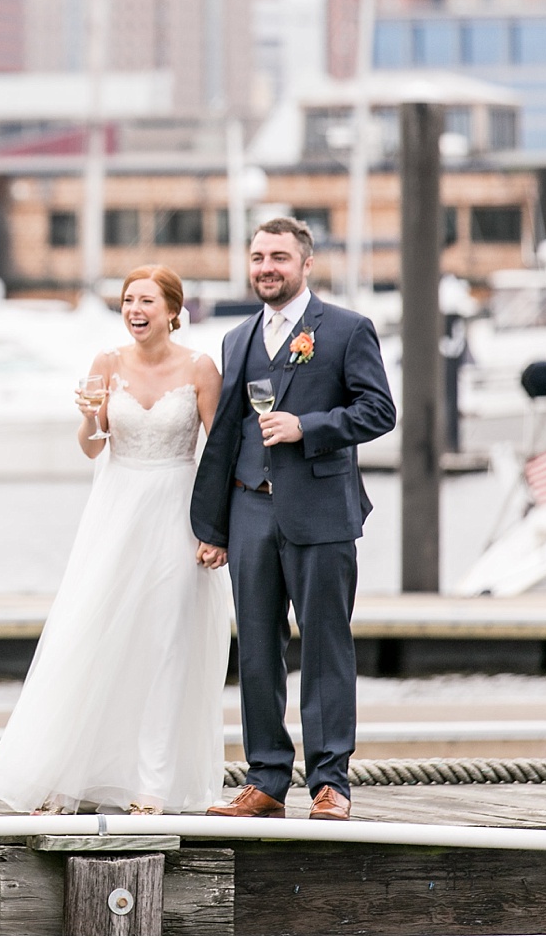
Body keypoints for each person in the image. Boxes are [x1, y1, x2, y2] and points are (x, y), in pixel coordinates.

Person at [0, 265, 231, 816]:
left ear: (173, 309)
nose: (134, 310)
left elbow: (218, 455)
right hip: (116, 512)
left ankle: (153, 787)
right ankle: (67, 775)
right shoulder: (106, 363)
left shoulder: (200, 368)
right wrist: (86, 419)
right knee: (95, 631)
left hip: (175, 510)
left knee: (166, 644)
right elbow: (93, 447)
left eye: (146, 300)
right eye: (127, 300)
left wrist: (218, 531)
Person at [190, 218, 395, 821]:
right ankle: (266, 779)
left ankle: (331, 782)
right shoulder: (236, 339)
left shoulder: (347, 330)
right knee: (255, 647)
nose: (266, 267)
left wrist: (309, 427)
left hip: (322, 511)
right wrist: (214, 527)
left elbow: (379, 410)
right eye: (257, 257)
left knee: (326, 643)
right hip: (250, 508)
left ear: (306, 264)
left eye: (278, 256)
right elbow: (226, 436)